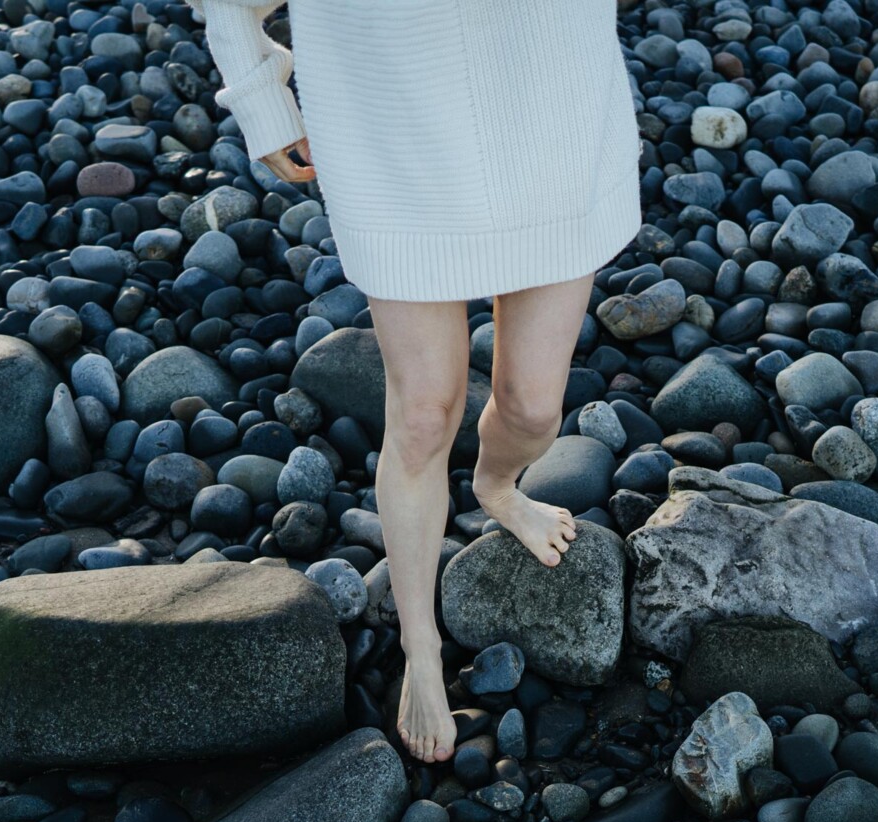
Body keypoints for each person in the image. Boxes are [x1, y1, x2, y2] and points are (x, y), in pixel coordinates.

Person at [191, 0, 643, 762]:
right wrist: (265, 101)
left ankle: (497, 486)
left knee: (535, 411)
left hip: (551, 120)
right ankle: (422, 647)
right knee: (425, 416)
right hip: (389, 132)